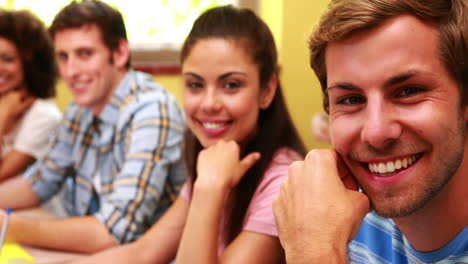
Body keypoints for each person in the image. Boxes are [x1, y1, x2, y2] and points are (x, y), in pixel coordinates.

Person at [71, 5, 306, 263]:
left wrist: (208, 189)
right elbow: (143, 252)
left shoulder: (283, 182)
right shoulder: (215, 160)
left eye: (231, 85)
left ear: (266, 91)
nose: (209, 103)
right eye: (195, 85)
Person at [273, 0, 468, 263]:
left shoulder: (322, 240)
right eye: (351, 100)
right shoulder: (337, 219)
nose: (375, 132)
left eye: (409, 91)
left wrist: (314, 251)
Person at [0, 0, 186, 254]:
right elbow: (40, 181)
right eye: (63, 57)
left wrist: (8, 225)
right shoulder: (81, 109)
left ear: (120, 53)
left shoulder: (152, 111)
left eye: (85, 54)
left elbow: (113, 232)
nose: (71, 71)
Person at [0, 9, 62, 182]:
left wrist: (3, 116)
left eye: (8, 59)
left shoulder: (44, 115)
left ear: (30, 64)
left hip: (32, 208)